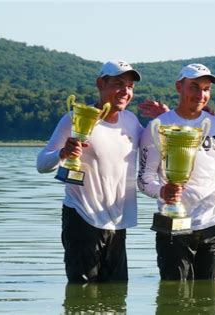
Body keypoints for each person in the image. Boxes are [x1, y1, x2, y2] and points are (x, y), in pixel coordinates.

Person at [137, 63, 215, 280]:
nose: (201, 94)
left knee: (211, 302)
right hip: (173, 228)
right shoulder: (158, 126)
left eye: (206, 89)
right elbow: (143, 179)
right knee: (173, 302)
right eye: (194, 87)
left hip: (214, 227)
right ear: (179, 86)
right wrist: (163, 192)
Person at [36, 60, 143, 283]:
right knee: (83, 295)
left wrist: (166, 117)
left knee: (116, 295)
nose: (125, 91)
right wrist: (63, 153)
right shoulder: (75, 118)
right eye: (118, 84)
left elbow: (156, 146)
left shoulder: (131, 121)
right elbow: (42, 164)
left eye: (130, 86)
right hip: (82, 219)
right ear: (100, 84)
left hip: (117, 223)